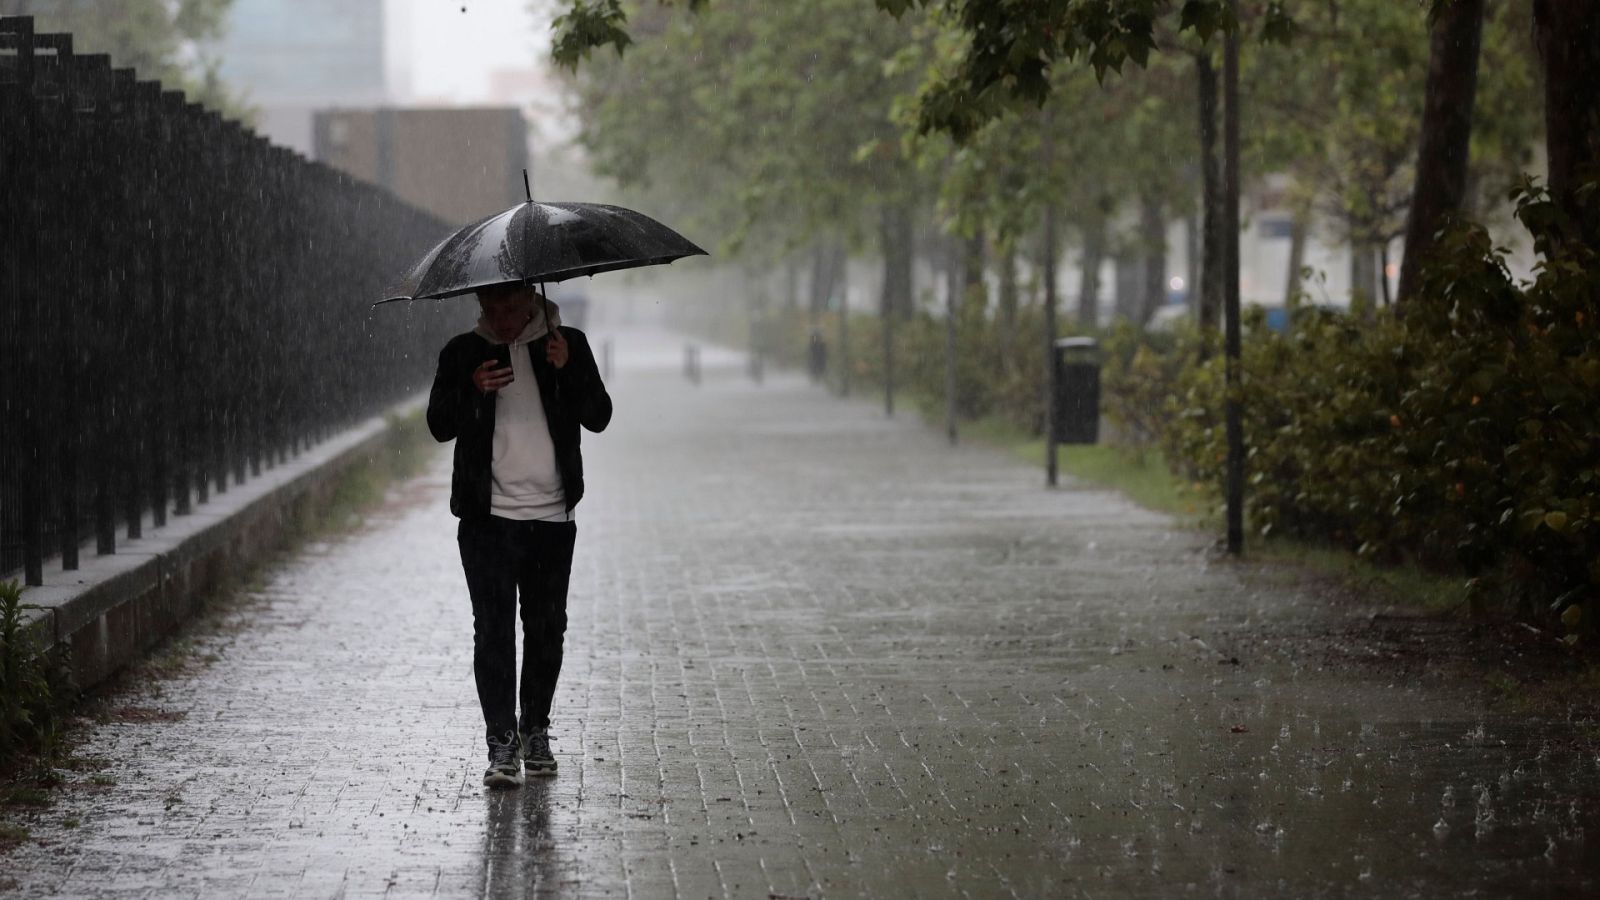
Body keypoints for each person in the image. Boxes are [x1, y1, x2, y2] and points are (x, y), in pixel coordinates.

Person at [426, 281, 612, 788]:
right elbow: (439, 425)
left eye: (511, 306)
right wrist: (473, 389)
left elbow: (599, 416)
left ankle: (535, 731)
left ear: (531, 298)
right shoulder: (463, 352)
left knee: (548, 629)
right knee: (493, 632)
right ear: (480, 305)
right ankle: (501, 742)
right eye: (491, 307)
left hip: (552, 517)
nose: (502, 316)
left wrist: (567, 366)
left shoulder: (564, 342)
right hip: (487, 521)